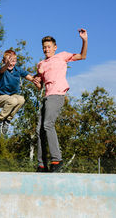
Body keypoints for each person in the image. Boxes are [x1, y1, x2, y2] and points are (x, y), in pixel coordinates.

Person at [33, 29, 88, 172]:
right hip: (46, 97)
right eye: (44, 47)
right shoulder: (41, 64)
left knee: (48, 125)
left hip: (57, 95)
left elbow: (82, 56)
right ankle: (41, 164)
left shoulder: (62, 56)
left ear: (55, 47)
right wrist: (37, 83)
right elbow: (40, 85)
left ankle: (57, 160)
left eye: (49, 47)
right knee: (39, 130)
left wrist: (84, 40)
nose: (46, 49)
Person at [0, 49, 35, 136]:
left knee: (21, 100)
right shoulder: (2, 70)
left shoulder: (17, 70)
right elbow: (2, 70)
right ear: (3, 61)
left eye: (13, 61)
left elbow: (30, 78)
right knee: (13, 101)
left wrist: (37, 79)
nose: (11, 64)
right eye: (9, 61)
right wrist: (7, 64)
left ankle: (7, 120)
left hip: (13, 96)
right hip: (0, 97)